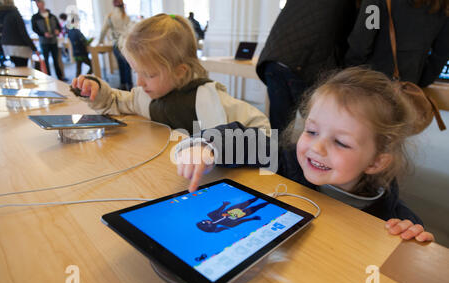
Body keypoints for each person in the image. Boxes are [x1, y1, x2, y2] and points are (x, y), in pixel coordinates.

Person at [175, 67, 435, 242]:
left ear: (377, 161)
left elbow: (406, 226)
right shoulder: (288, 159)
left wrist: (410, 231)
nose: (316, 148)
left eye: (341, 143)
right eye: (311, 131)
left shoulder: (383, 203)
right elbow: (244, 139)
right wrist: (205, 147)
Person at [71, 14, 270, 135]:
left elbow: (263, 128)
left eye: (149, 75)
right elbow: (115, 101)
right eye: (136, 73)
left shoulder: (212, 99)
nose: (139, 82)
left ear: (179, 71)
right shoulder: (146, 96)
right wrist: (96, 89)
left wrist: (223, 148)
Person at [256, 0, 357, 133]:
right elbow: (352, 37)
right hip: (304, 63)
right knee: (316, 127)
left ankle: (278, 153)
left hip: (274, 58)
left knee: (280, 126)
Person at [345, 0, 449, 87]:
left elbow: (360, 44)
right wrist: (417, 82)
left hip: (370, 87)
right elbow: (440, 55)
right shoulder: (443, 4)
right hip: (407, 90)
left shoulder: (377, 2)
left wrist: (349, 77)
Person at [98, 0, 133, 91]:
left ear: (113, 4)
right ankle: (130, 85)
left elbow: (103, 31)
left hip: (117, 44)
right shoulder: (127, 16)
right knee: (127, 65)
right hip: (126, 43)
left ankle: (123, 85)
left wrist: (100, 42)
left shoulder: (110, 16)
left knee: (121, 65)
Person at [31, 0, 63, 79]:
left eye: (40, 2)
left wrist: (58, 31)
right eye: (37, 3)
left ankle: (60, 76)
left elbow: (59, 27)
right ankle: (49, 77)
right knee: (46, 61)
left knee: (56, 60)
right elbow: (34, 29)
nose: (39, 4)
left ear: (43, 3)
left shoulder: (52, 16)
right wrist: (43, 34)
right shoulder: (35, 17)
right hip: (44, 42)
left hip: (53, 41)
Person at [0, 0, 38, 67]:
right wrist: (34, 48)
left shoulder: (2, 14)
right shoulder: (14, 13)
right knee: (23, 69)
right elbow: (23, 32)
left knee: (17, 69)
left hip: (7, 47)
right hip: (20, 48)